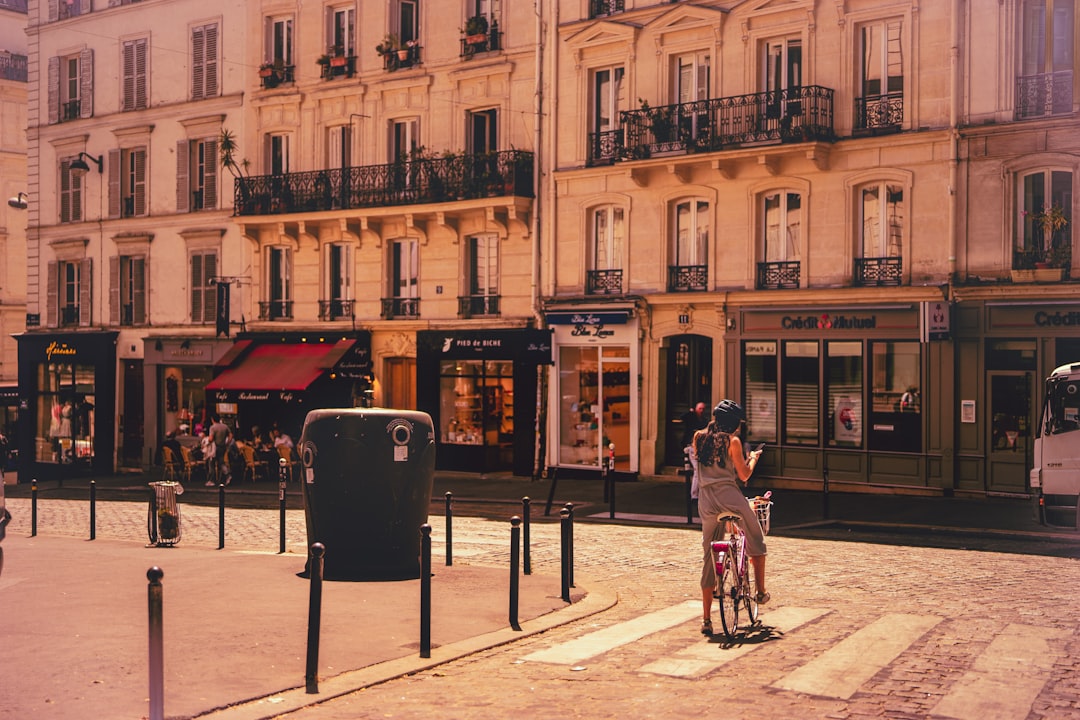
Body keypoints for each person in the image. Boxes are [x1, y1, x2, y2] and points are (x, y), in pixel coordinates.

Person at [692, 399, 767, 637]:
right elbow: (743, 475)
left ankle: (706, 619)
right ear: (734, 423)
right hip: (729, 497)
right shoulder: (732, 441)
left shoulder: (698, 438)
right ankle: (760, 592)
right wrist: (753, 457)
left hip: (706, 501)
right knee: (755, 537)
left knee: (709, 553)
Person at [207, 415, 231, 486]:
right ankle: (227, 474)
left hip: (215, 447)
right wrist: (227, 443)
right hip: (222, 446)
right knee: (221, 462)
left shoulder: (213, 427)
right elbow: (230, 435)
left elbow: (211, 439)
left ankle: (211, 480)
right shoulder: (225, 426)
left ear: (212, 419)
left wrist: (207, 441)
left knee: (211, 463)